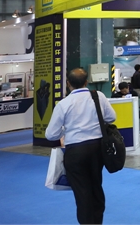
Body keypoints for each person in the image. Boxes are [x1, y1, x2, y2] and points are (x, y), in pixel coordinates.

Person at [45, 68, 116, 225]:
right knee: (96, 187)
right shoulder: (98, 96)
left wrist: (65, 131)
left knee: (82, 192)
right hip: (97, 149)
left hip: (75, 151)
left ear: (68, 83)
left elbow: (50, 135)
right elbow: (112, 117)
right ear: (86, 82)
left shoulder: (63, 104)